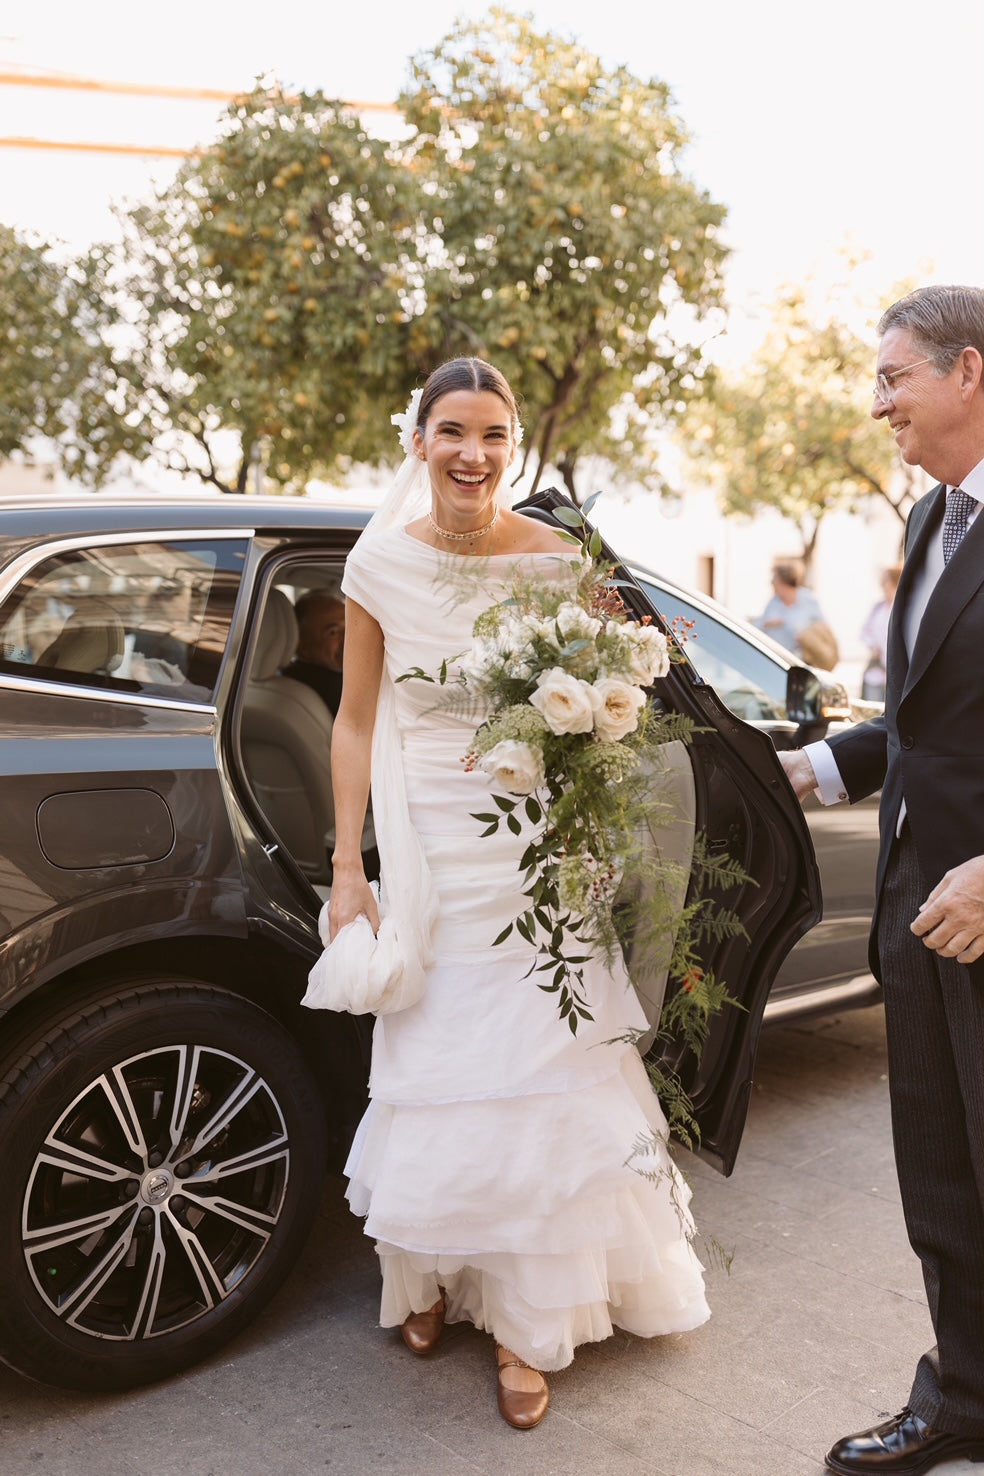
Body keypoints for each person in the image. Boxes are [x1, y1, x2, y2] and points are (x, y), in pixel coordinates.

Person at [327, 358, 709, 1431]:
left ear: (514, 449)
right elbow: (355, 720)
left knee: (538, 1072)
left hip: (538, 855)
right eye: (452, 430)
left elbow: (619, 692)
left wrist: (597, 769)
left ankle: (525, 1325)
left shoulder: (556, 558)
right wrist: (349, 867)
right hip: (436, 854)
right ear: (418, 442)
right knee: (441, 1066)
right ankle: (435, 1276)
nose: (473, 453)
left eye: (494, 435)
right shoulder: (378, 569)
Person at [779, 285, 984, 1476]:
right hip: (917, 916)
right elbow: (924, 723)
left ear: (968, 372)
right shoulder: (929, 521)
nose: (877, 403)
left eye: (895, 377)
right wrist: (806, 768)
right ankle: (964, 1397)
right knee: (942, 1184)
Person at [283, 589, 345, 716]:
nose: (349, 637)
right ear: (303, 648)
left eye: (351, 625)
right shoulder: (339, 691)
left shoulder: (285, 678)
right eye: (333, 632)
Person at [753, 560, 831, 662]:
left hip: (802, 660)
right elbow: (757, 627)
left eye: (774, 579)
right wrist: (767, 623)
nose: (771, 583)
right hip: (777, 659)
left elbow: (822, 627)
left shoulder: (808, 600)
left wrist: (806, 635)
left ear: (783, 582)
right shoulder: (774, 602)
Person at [859, 564, 902, 701]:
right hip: (876, 671)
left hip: (896, 673)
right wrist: (872, 646)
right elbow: (865, 631)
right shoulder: (878, 607)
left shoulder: (902, 607)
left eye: (886, 580)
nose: (883, 583)